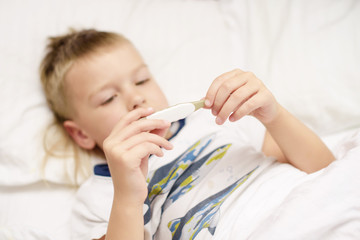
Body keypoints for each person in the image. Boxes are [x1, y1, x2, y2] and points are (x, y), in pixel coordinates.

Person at [39, 28, 334, 240]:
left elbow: (325, 169)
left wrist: (275, 116)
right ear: (80, 135)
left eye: (142, 80)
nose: (136, 99)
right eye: (107, 98)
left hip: (314, 207)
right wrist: (128, 198)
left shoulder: (216, 121)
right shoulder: (96, 197)